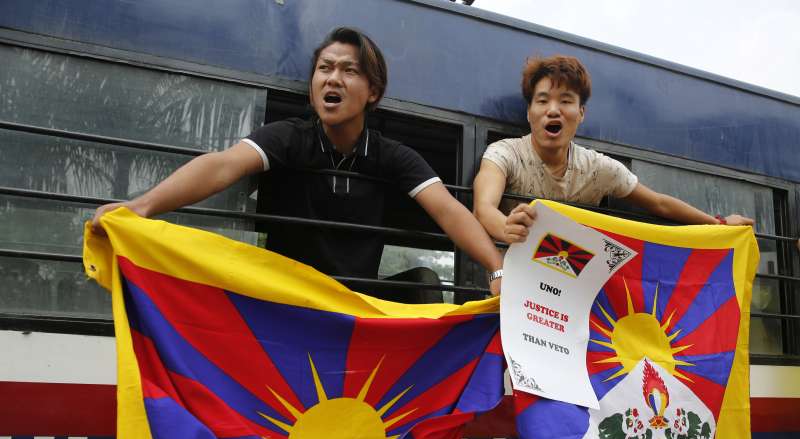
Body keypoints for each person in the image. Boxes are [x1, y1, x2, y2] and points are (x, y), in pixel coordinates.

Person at [92, 27, 503, 297]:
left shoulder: (391, 155)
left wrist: (497, 269)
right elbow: (221, 166)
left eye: (348, 71)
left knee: (425, 284)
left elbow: (448, 210)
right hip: (287, 299)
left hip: (355, 304)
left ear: (373, 91)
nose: (332, 79)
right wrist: (140, 206)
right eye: (324, 69)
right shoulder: (289, 137)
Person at [473, 55, 754, 244]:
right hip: (514, 288)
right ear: (529, 112)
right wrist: (506, 228)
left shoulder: (598, 169)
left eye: (566, 101)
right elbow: (483, 207)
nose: (553, 110)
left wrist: (718, 224)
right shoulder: (504, 154)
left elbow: (658, 203)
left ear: (581, 113)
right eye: (543, 100)